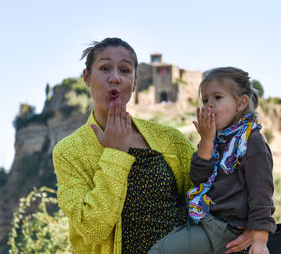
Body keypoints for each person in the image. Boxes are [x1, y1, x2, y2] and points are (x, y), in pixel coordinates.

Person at [53, 38, 251, 254]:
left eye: (125, 70)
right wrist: (114, 154)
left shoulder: (169, 138)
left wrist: (252, 225)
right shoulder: (69, 151)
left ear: (135, 82)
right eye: (104, 68)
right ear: (87, 77)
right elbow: (93, 228)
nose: (115, 78)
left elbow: (212, 188)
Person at [149, 67, 276, 254]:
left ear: (241, 103)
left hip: (224, 226)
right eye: (205, 100)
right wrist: (207, 141)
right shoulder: (216, 139)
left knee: (160, 251)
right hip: (206, 220)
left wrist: (259, 240)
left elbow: (261, 191)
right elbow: (198, 178)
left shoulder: (251, 141)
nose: (210, 105)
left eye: (218, 97)